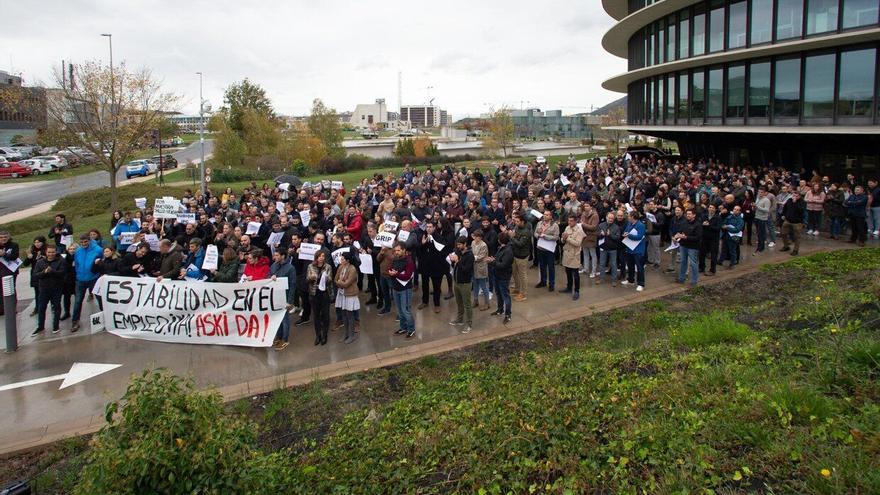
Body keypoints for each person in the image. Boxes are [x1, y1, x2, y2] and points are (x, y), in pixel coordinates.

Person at [70, 234, 103, 332]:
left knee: (99, 298)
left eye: (86, 242)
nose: (84, 244)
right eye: (82, 242)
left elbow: (102, 261)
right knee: (78, 301)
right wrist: (77, 275)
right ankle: (75, 321)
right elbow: (76, 264)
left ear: (89, 241)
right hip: (80, 279)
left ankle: (105, 316)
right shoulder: (78, 251)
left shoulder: (97, 250)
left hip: (93, 278)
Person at [32, 244, 66, 335]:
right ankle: (40, 326)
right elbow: (35, 275)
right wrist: (44, 272)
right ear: (46, 252)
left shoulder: (61, 261)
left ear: (56, 252)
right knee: (41, 307)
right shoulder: (40, 262)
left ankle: (55, 326)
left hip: (56, 288)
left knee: (56, 307)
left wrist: (52, 271)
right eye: (49, 252)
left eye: (53, 252)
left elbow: (62, 273)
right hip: (44, 289)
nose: (51, 254)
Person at [270, 249, 296, 350]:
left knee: (285, 320)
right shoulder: (273, 266)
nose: (275, 257)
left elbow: (293, 285)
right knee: (278, 318)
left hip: (285, 296)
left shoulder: (290, 268)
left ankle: (285, 339)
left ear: (283, 256)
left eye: (277, 255)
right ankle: (279, 337)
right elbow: (269, 276)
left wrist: (290, 301)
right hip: (276, 296)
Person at [389, 243, 416, 338]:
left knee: (406, 310)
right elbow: (391, 268)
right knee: (400, 310)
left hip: (405, 289)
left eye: (398, 250)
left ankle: (411, 329)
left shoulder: (409, 261)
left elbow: (407, 276)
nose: (396, 252)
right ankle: (403, 327)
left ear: (404, 250)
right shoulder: (395, 259)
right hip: (395, 288)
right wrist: (391, 272)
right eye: (395, 250)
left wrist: (396, 274)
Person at [448, 236, 475, 333]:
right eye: (457, 245)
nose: (458, 246)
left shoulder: (470, 255)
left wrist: (457, 261)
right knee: (459, 303)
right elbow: (454, 266)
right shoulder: (458, 252)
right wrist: (452, 261)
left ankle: (469, 324)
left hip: (465, 283)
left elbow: (466, 270)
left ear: (465, 244)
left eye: (459, 245)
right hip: (456, 282)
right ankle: (459, 320)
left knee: (467, 304)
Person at [307, 250, 333, 345]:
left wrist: (326, 278)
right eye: (319, 256)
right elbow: (307, 278)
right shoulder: (311, 266)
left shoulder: (328, 267)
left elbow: (330, 279)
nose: (321, 258)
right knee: (316, 315)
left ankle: (325, 335)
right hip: (314, 293)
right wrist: (313, 277)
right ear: (316, 257)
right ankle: (318, 335)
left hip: (324, 293)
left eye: (323, 256)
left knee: (325, 315)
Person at [489, 231, 513, 324]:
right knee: (498, 293)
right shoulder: (501, 248)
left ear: (500, 240)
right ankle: (500, 309)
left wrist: (493, 262)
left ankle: (508, 314)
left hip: (504, 276)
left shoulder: (508, 251)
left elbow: (503, 265)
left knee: (505, 295)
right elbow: (498, 259)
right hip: (497, 274)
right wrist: (493, 259)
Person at [560, 214, 585, 300]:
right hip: (567, 253)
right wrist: (563, 239)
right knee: (567, 272)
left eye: (571, 221)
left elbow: (578, 243)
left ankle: (577, 291)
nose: (569, 222)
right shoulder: (567, 228)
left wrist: (567, 238)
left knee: (575, 274)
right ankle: (569, 287)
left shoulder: (579, 231)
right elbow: (562, 239)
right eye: (568, 220)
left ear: (575, 221)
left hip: (574, 255)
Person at [674, 208, 702, 287]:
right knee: (683, 262)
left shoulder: (698, 225)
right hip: (683, 245)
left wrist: (686, 237)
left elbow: (697, 237)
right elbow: (680, 231)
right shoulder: (684, 222)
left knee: (693, 264)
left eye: (689, 214)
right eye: (687, 214)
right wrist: (676, 236)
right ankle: (681, 278)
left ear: (694, 215)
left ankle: (694, 281)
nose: (688, 215)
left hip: (693, 247)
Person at [534, 210, 559, 292]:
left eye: (547, 215)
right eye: (544, 215)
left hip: (549, 249)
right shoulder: (539, 223)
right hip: (540, 247)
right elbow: (535, 233)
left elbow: (556, 237)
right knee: (542, 265)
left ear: (551, 216)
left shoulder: (554, 225)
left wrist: (545, 236)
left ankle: (551, 284)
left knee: (551, 267)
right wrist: (539, 235)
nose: (545, 216)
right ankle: (543, 281)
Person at [621, 211, 646, 292]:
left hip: (638, 250)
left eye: (629, 216)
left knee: (639, 267)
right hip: (629, 248)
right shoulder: (629, 223)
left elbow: (639, 237)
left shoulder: (640, 225)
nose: (628, 217)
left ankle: (641, 284)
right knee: (630, 266)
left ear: (633, 217)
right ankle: (630, 280)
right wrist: (625, 233)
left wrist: (629, 235)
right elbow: (626, 231)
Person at [596, 212, 621, 287]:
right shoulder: (601, 225)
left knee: (613, 264)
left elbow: (618, 238)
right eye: (609, 218)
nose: (610, 219)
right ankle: (601, 278)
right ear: (606, 217)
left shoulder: (616, 227)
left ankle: (614, 280)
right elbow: (597, 235)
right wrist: (601, 235)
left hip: (613, 248)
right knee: (602, 263)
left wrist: (610, 235)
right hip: (603, 248)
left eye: (612, 218)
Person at [510, 215, 532, 301]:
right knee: (514, 273)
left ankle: (523, 293)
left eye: (518, 221)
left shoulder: (526, 232)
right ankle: (517, 289)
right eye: (515, 221)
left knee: (522, 275)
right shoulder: (517, 228)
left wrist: (512, 237)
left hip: (522, 256)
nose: (516, 223)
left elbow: (520, 244)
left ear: (523, 221)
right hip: (515, 254)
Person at [0, 230, 21, 317]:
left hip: (10, 271)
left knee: (10, 289)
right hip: (1, 270)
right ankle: (2, 309)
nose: (3, 239)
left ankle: (12, 308)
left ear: (8, 237)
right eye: (1, 237)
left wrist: (4, 254)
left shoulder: (14, 245)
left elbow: (14, 256)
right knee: (1, 290)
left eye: (5, 237)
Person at [470, 229, 491, 311]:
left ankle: (487, 303)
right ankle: (475, 300)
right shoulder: (472, 243)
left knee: (484, 286)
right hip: (474, 267)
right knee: (475, 285)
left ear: (481, 237)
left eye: (478, 237)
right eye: (475, 236)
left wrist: (472, 257)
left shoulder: (483, 245)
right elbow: (472, 253)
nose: (476, 238)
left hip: (481, 267)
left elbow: (480, 257)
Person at [780, 191, 805, 256]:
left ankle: (795, 250)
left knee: (797, 237)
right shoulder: (789, 200)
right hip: (787, 220)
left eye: (796, 196)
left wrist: (795, 203)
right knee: (783, 233)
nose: (794, 197)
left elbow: (801, 210)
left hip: (797, 222)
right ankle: (786, 246)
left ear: (799, 196)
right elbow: (785, 208)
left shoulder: (802, 202)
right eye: (793, 195)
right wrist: (783, 214)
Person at [579, 203, 599, 277]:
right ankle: (586, 268)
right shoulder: (583, 214)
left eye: (587, 206)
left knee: (593, 254)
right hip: (584, 236)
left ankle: (594, 271)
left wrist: (583, 224)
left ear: (591, 207)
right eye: (584, 206)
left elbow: (594, 227)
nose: (585, 207)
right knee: (585, 253)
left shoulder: (595, 215)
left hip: (591, 237)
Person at [754, 188, 772, 253]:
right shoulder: (758, 199)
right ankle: (759, 245)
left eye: (761, 192)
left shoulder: (766, 200)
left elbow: (767, 210)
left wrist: (757, 207)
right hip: (757, 217)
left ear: (764, 193)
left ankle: (761, 247)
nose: (759, 193)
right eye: (759, 192)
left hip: (762, 218)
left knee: (761, 233)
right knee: (758, 233)